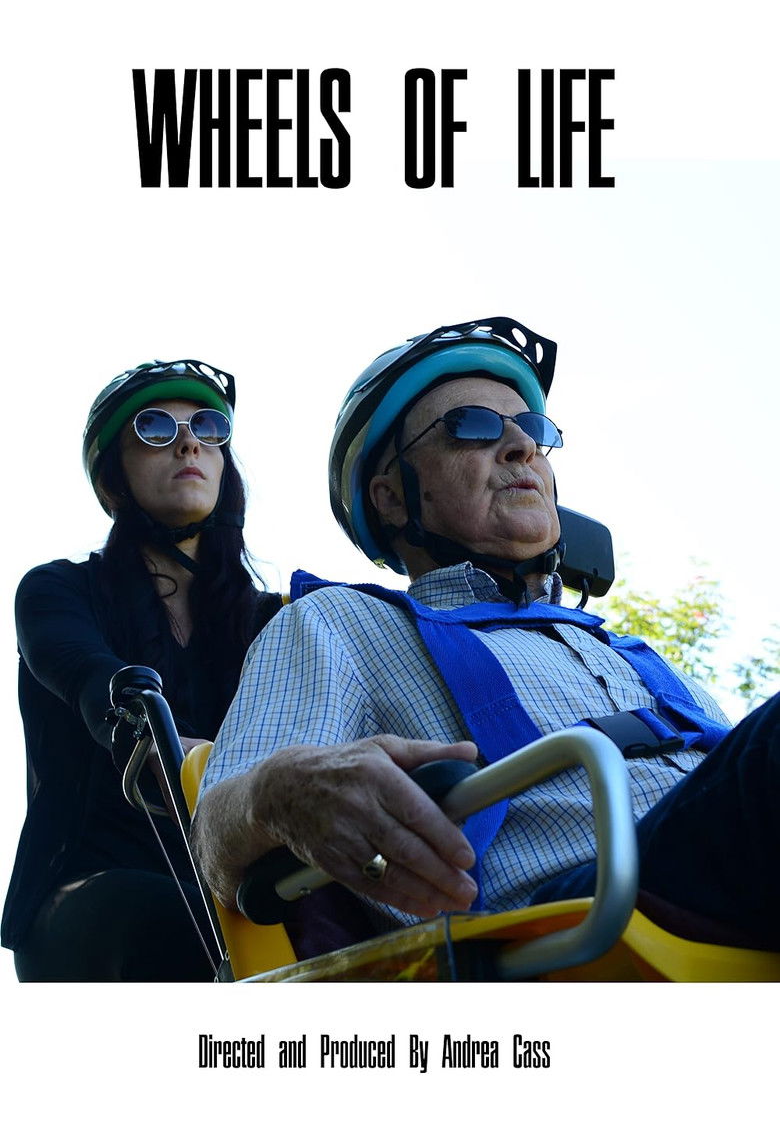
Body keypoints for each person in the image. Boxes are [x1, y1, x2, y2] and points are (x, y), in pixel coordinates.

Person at [191, 318, 779, 951]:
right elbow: (212, 839)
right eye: (471, 426)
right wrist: (280, 793)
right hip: (572, 916)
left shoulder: (627, 654)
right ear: (392, 499)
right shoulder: (340, 621)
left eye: (533, 429)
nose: (522, 446)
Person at [2, 359, 282, 981]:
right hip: (89, 886)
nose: (189, 443)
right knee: (176, 928)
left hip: (236, 873)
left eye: (208, 428)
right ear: (114, 481)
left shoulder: (275, 619)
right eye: (155, 428)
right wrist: (143, 731)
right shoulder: (57, 590)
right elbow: (88, 675)